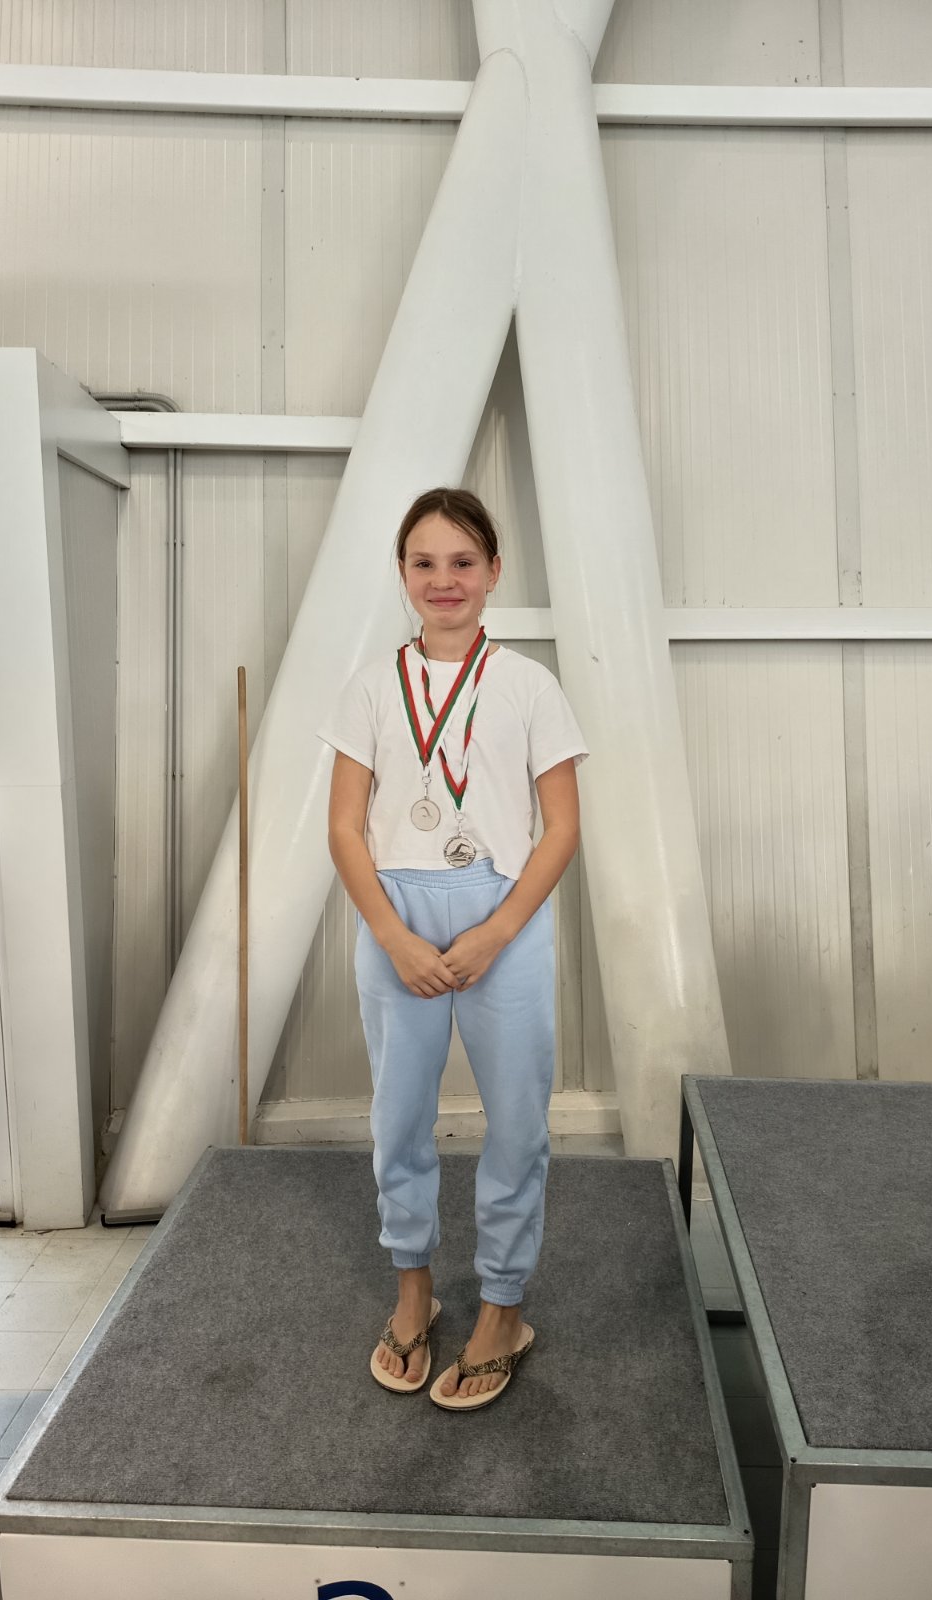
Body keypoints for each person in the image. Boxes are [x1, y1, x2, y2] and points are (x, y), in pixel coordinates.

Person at [320, 486, 587, 1411]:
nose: (444, 580)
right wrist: (392, 935)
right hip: (395, 917)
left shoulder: (530, 685)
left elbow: (561, 828)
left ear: (493, 571)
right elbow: (345, 828)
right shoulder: (371, 686)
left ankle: (503, 1309)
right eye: (425, 563)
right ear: (402, 573)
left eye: (462, 562)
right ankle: (414, 1292)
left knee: (516, 1121)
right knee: (399, 1117)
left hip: (502, 917)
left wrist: (496, 933)